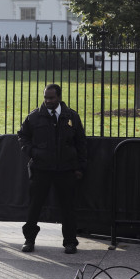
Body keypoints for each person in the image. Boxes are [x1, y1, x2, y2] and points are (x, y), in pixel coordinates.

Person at [17, 83, 87, 254]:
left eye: (51, 98)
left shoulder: (71, 117)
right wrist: (33, 152)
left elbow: (81, 143)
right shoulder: (34, 117)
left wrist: (79, 167)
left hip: (65, 169)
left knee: (68, 207)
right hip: (41, 168)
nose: (48, 101)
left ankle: (70, 242)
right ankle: (29, 239)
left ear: (59, 98)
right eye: (46, 97)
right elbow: (22, 136)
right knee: (35, 206)